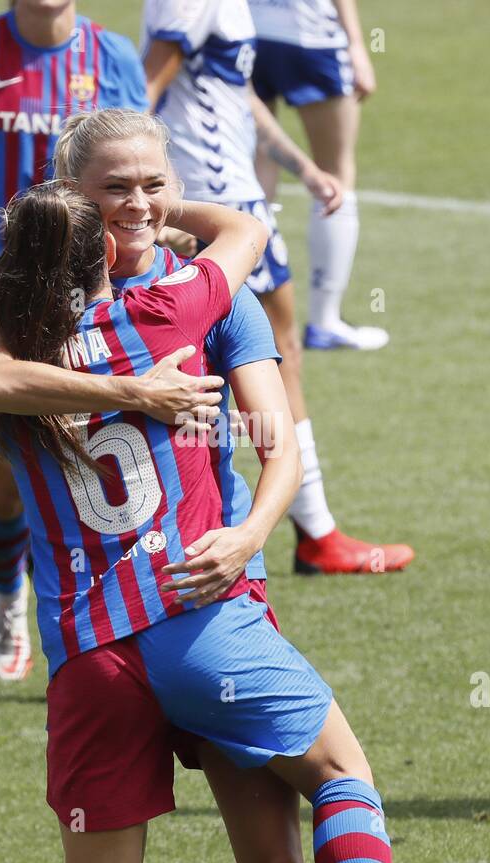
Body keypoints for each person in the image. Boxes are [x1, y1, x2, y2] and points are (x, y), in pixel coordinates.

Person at [0, 181, 392, 863]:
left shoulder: (6, 356)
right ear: (107, 245)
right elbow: (246, 235)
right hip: (196, 616)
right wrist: (161, 211)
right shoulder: (166, 314)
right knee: (342, 777)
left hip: (88, 660)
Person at [140, 0, 413, 577]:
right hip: (218, 207)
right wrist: (150, 209)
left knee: (255, 358)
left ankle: (300, 530)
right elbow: (145, 92)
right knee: (260, 359)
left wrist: (302, 167)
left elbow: (238, 93)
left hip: (236, 200)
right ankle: (311, 532)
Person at [0, 0, 145, 681]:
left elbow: (139, 168)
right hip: (3, 300)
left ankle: (110, 631)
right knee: (5, 484)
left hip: (99, 295)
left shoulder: (114, 58)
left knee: (102, 465)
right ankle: (4, 597)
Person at [248, 0, 387, 351]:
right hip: (310, 36)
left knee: (258, 173)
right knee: (336, 172)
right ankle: (325, 320)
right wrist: (356, 44)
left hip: (248, 34)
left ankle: (249, 306)